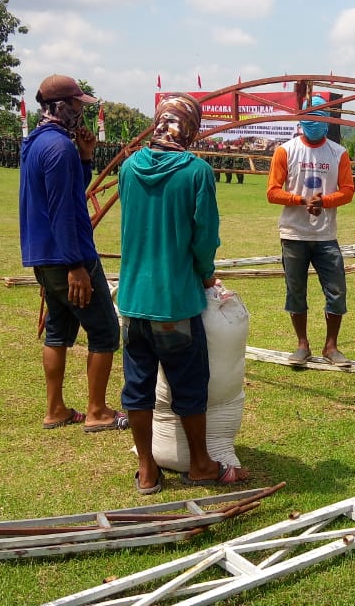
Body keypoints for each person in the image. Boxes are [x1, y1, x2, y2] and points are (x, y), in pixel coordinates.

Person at [117, 93, 244, 493]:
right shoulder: (196, 172)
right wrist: (206, 275)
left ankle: (147, 468)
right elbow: (204, 237)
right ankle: (203, 464)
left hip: (134, 302)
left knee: (138, 387)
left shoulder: (129, 168)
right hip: (176, 303)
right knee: (190, 386)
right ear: (190, 128)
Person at [19, 74, 128, 433]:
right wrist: (76, 266)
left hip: (43, 257)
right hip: (69, 258)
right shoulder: (58, 148)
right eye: (78, 104)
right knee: (104, 332)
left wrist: (85, 157)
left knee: (58, 329)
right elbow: (64, 211)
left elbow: (67, 192)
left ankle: (56, 409)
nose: (82, 111)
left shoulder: (37, 143)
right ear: (62, 106)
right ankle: (97, 411)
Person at [267, 95, 355, 367]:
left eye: (320, 117)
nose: (315, 123)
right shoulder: (286, 150)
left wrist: (324, 201)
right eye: (311, 117)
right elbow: (272, 192)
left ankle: (331, 347)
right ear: (302, 119)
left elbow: (348, 191)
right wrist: (301, 200)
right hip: (294, 234)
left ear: (327, 120)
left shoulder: (338, 153)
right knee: (295, 291)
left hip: (325, 235)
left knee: (336, 290)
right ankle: (302, 345)